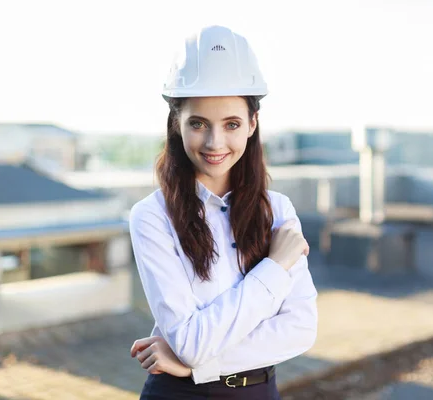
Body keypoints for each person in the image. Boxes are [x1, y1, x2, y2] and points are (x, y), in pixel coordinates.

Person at [127, 25, 318, 399]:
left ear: (252, 124)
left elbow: (301, 328)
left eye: (231, 124)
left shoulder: (278, 211)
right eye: (198, 124)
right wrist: (275, 267)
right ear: (176, 125)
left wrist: (199, 365)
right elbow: (190, 341)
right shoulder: (151, 217)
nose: (215, 143)